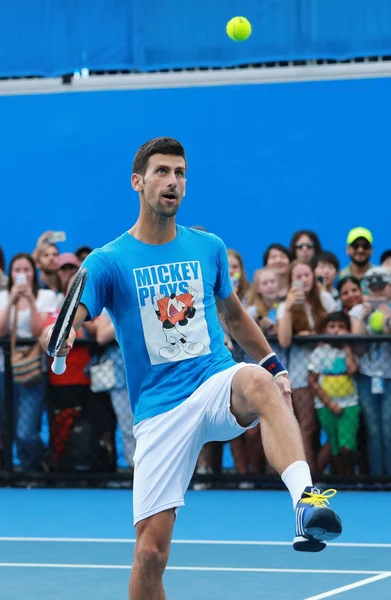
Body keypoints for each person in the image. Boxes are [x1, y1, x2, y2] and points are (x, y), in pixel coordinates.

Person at [43, 137, 342, 599]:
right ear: (137, 182)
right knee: (149, 555)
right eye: (162, 172)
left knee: (259, 383)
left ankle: (306, 504)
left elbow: (235, 314)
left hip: (213, 382)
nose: (173, 182)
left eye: (180, 173)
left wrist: (272, 363)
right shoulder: (109, 261)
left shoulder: (208, 247)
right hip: (159, 411)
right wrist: (58, 334)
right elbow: (73, 314)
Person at [277, 260, 337, 472]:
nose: (303, 280)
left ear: (313, 276)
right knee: (307, 426)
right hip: (301, 374)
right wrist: (290, 308)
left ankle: (324, 469)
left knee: (334, 425)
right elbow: (283, 340)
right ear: (291, 280)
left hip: (330, 371)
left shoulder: (326, 299)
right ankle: (308, 476)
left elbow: (338, 328)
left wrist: (317, 337)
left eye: (307, 275)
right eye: (298, 276)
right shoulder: (286, 305)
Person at [0, 252, 56, 471]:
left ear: (34, 272)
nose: (22, 274)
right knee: (7, 425)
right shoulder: (3, 296)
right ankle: (13, 469)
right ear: (11, 274)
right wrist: (12, 300)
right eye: (17, 270)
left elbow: (38, 330)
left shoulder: (46, 296)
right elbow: (1, 330)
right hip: (5, 370)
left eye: (26, 270)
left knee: (27, 429)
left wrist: (30, 301)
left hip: (33, 368)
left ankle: (34, 463)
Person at [349, 267, 391, 475]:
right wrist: (363, 318)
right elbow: (358, 347)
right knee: (373, 429)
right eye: (372, 287)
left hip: (389, 377)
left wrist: (387, 318)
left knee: (389, 428)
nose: (377, 291)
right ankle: (376, 477)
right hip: (366, 376)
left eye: (381, 286)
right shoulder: (357, 312)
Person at [308, 312, 360, 476]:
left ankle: (350, 478)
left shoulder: (349, 350)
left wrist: (346, 346)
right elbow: (313, 381)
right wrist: (330, 404)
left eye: (341, 327)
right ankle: (338, 478)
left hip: (350, 404)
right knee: (335, 446)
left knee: (347, 446)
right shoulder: (319, 352)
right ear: (325, 329)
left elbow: (352, 369)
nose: (336, 330)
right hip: (325, 406)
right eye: (332, 326)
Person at [96, 310, 136, 469]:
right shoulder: (110, 308)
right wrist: (125, 318)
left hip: (149, 372)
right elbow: (101, 336)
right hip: (119, 375)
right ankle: (135, 469)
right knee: (128, 428)